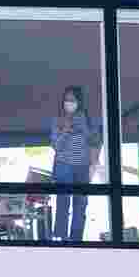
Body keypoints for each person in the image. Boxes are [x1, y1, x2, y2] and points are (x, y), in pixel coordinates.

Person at [50, 85, 101, 241]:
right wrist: (65, 130)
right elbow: (56, 146)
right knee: (63, 203)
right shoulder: (57, 120)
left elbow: (96, 142)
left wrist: (85, 128)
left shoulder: (89, 120)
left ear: (79, 102)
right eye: (66, 100)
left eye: (72, 100)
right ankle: (61, 238)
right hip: (63, 166)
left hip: (82, 167)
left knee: (81, 204)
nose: (69, 103)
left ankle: (76, 239)